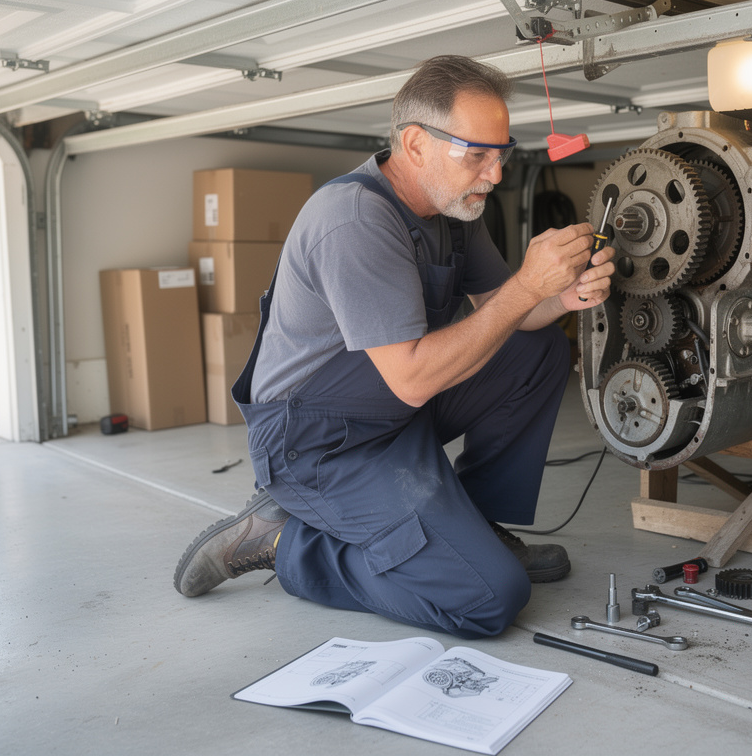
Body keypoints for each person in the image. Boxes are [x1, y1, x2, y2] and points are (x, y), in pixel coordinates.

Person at [173, 55, 615, 639]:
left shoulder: (453, 207)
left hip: (390, 412)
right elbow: (412, 377)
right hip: (318, 443)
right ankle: (283, 543)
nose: (496, 174)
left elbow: (498, 309)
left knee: (537, 354)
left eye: (502, 153)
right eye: (477, 154)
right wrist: (529, 283)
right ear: (414, 143)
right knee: (490, 598)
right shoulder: (354, 219)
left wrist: (560, 298)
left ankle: (477, 525)